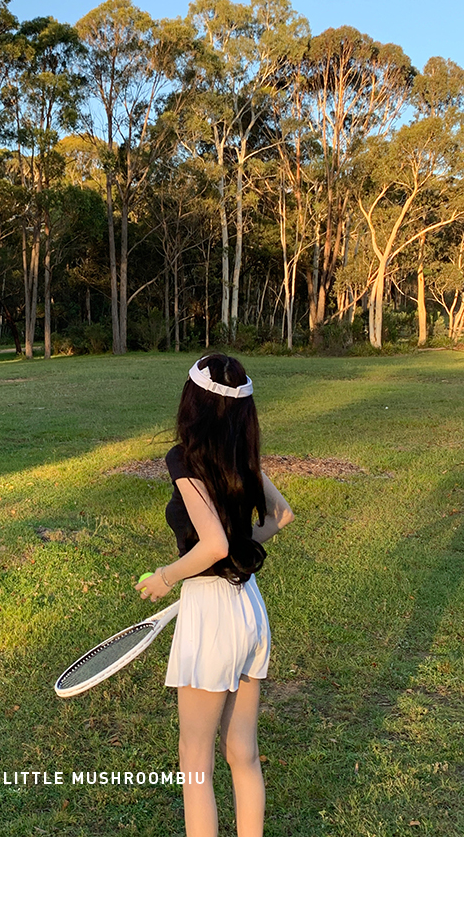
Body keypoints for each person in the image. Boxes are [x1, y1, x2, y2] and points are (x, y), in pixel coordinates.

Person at [135, 353, 293, 838]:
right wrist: (238, 550)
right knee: (242, 752)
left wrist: (165, 576)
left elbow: (214, 545)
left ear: (193, 402)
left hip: (211, 616)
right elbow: (281, 516)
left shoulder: (185, 458)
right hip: (249, 610)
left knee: (195, 761)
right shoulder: (242, 454)